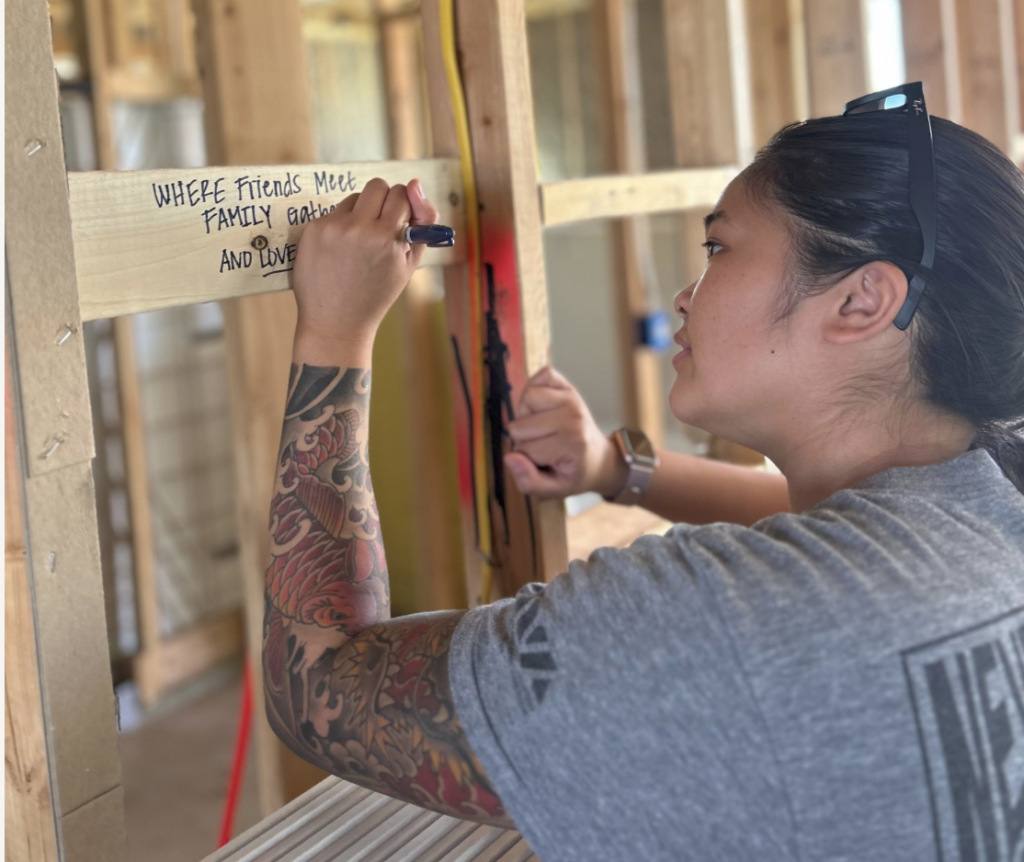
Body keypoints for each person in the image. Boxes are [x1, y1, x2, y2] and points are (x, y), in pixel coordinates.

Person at [260, 87, 1024, 862]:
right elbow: (829, 534)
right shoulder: (991, 510)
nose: (685, 296)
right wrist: (615, 470)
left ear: (862, 301)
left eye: (719, 248)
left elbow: (316, 682)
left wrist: (336, 334)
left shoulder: (720, 626)